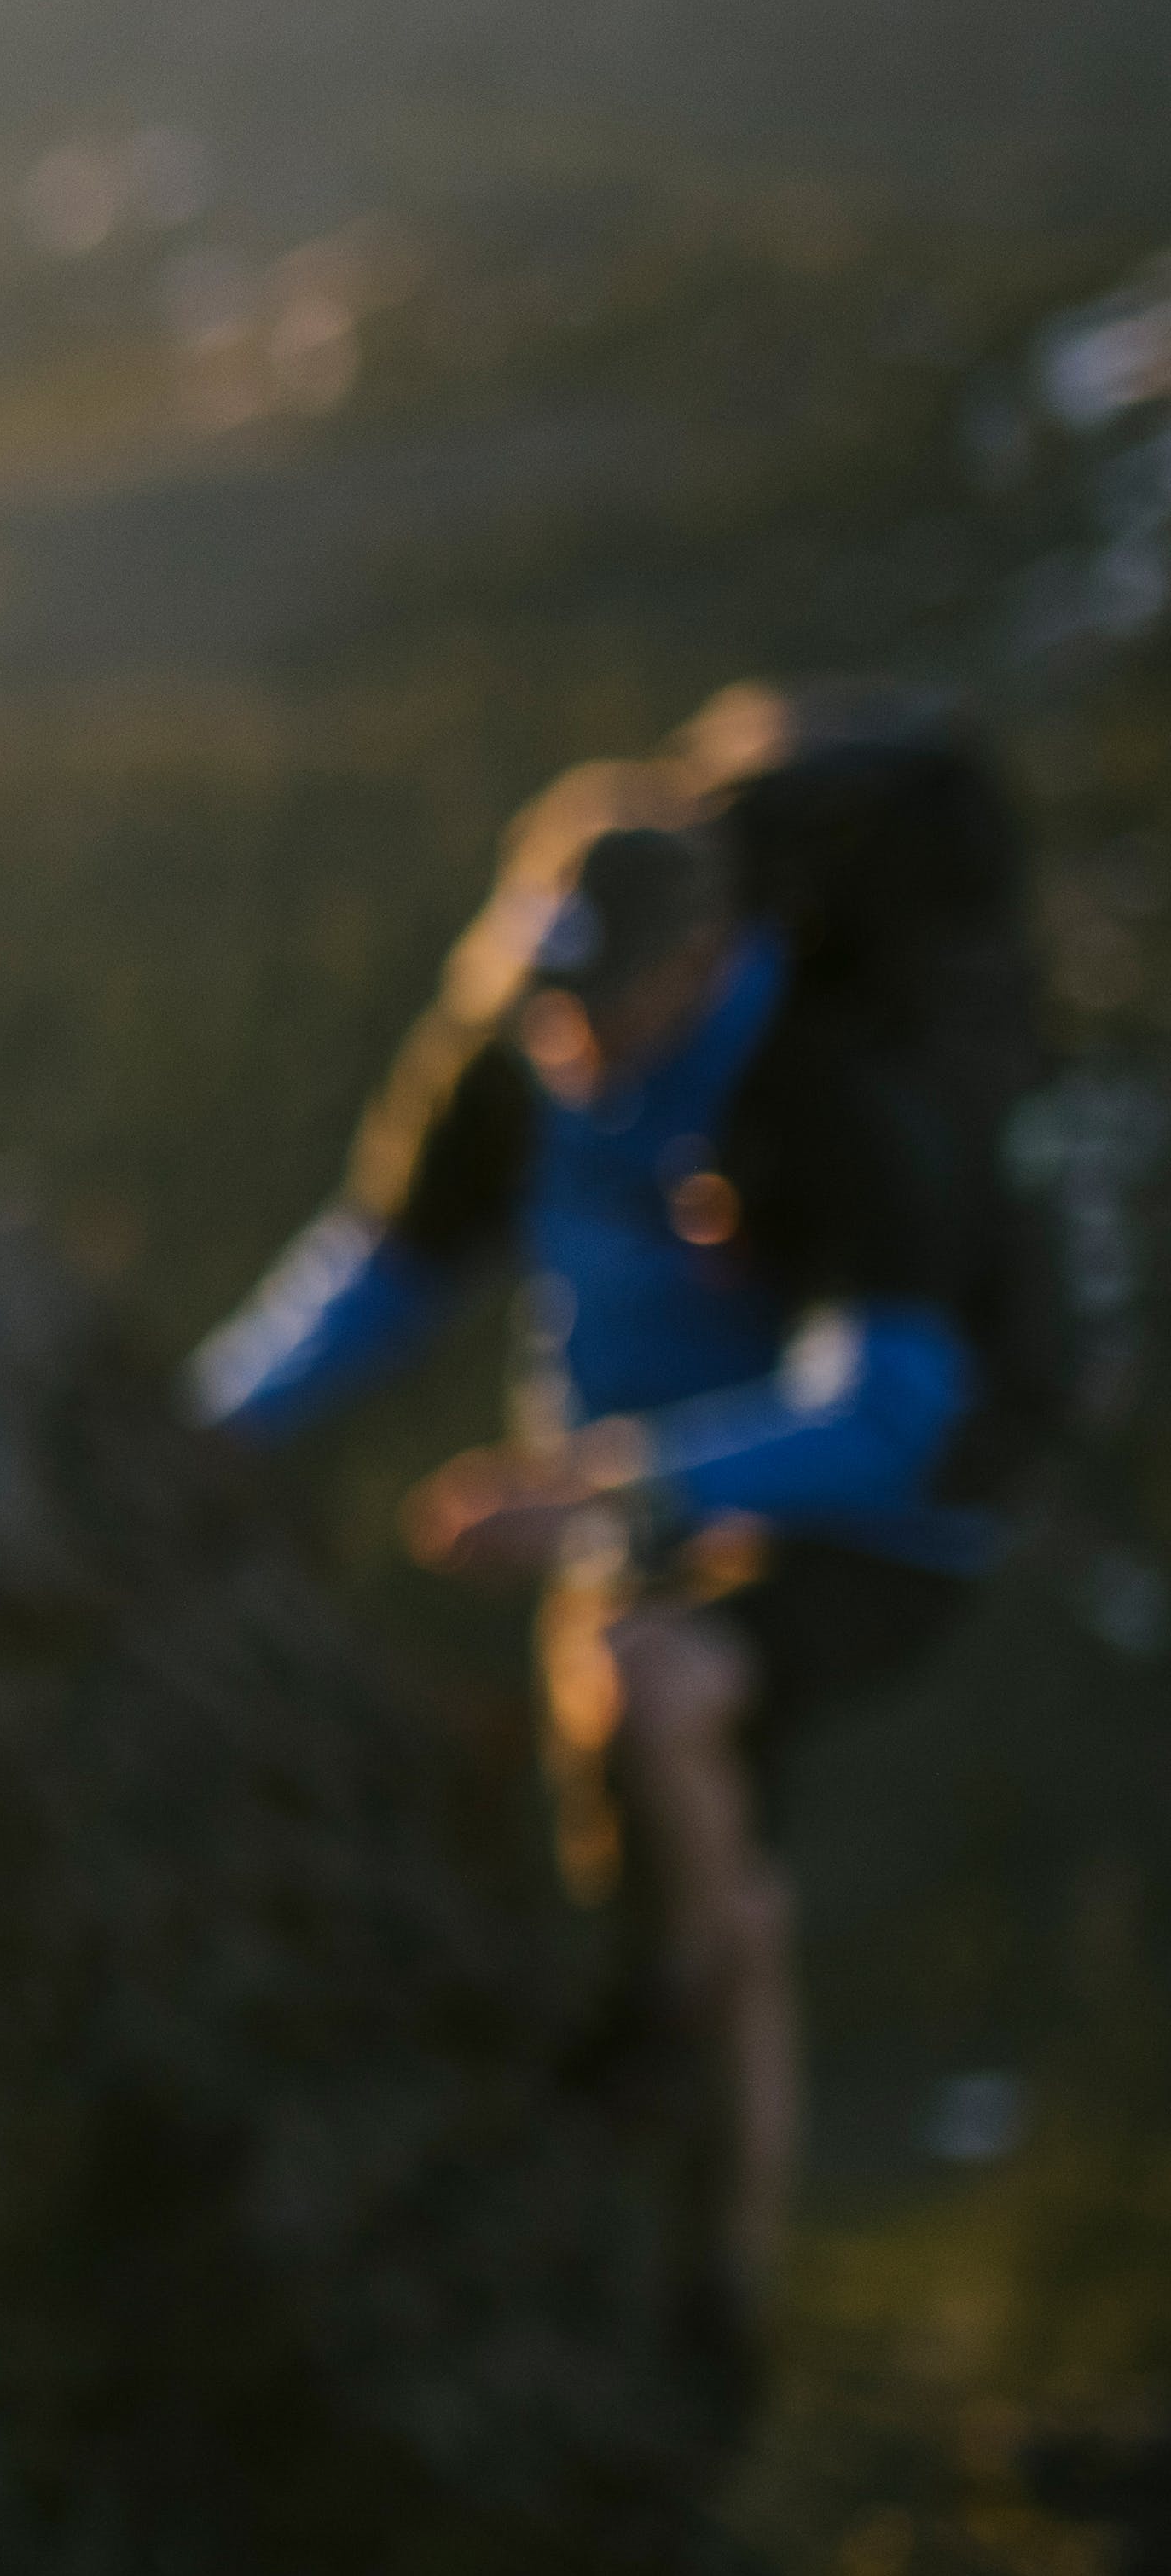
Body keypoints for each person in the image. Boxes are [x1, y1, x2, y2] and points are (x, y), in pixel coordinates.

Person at [194, 696, 1021, 2353]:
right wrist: (192, 1429)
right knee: (630, 1761)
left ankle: (718, 2246)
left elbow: (895, 1401)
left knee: (662, 1707)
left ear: (709, 955)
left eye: (603, 1000)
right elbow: (382, 1267)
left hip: (862, 1517)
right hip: (624, 1506)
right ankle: (665, 2130)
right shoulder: (520, 1049)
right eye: (546, 997)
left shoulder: (818, 1083)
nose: (568, 1040)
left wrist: (618, 1487)